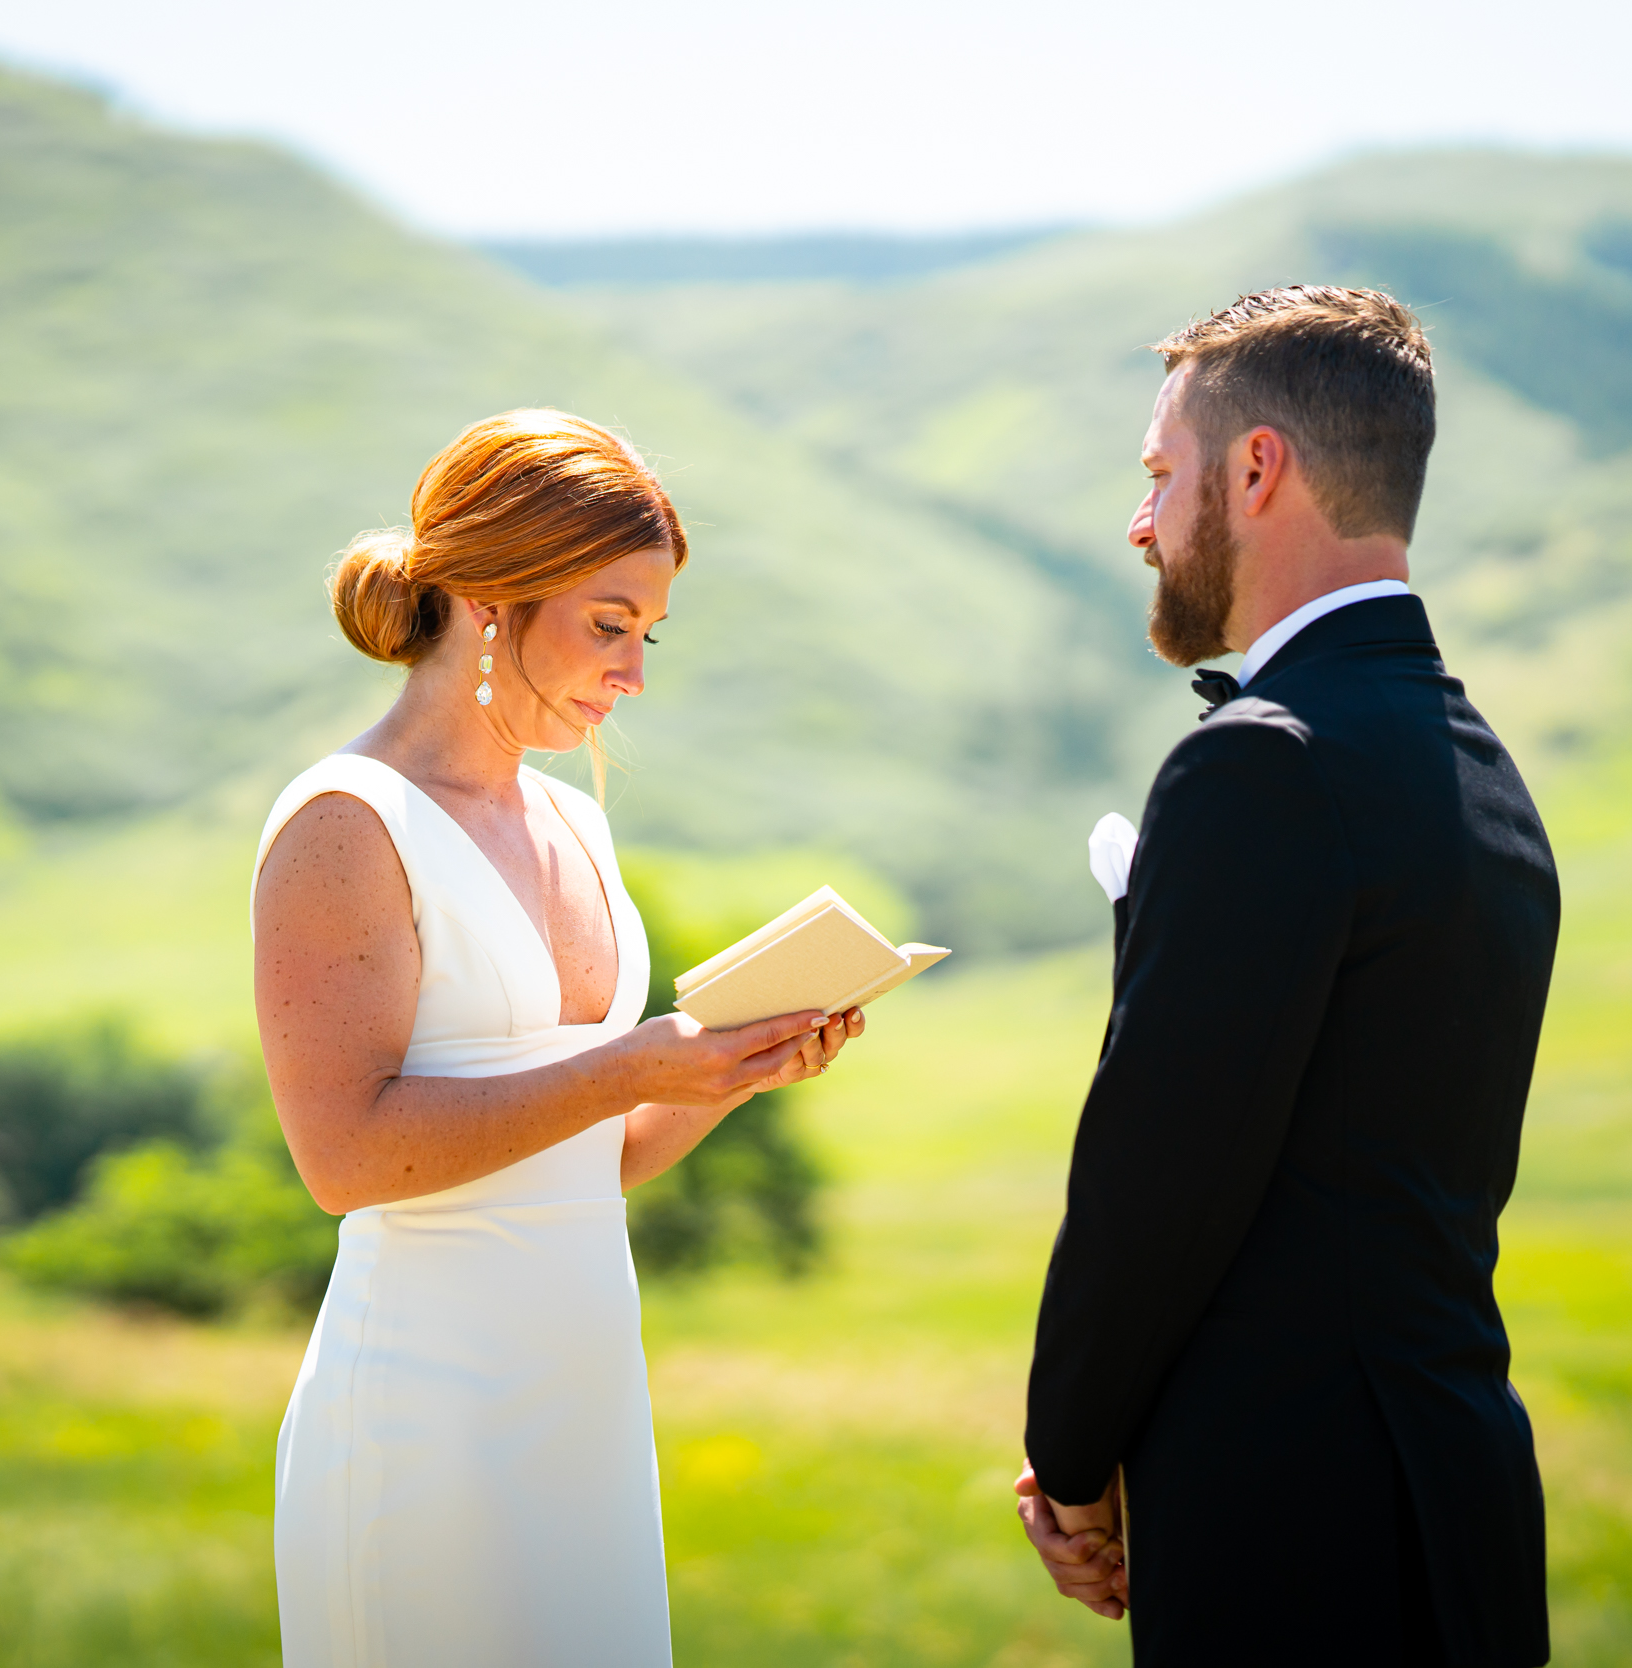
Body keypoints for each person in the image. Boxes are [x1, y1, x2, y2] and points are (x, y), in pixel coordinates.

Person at [251, 409, 864, 1667]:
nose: (634, 672)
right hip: (426, 1410)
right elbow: (345, 1161)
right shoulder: (344, 824)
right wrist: (629, 1060)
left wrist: (726, 1074)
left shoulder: (571, 823)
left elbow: (604, 1155)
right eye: (609, 624)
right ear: (488, 600)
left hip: (582, 1397)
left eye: (647, 633)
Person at [1013, 289, 1561, 1666]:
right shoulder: (1481, 770)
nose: (1141, 525)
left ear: (1256, 469)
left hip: (1293, 1532)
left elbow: (1162, 1165)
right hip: (1458, 1500)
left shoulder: (1265, 761)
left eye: (1158, 476)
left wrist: (1070, 1458)